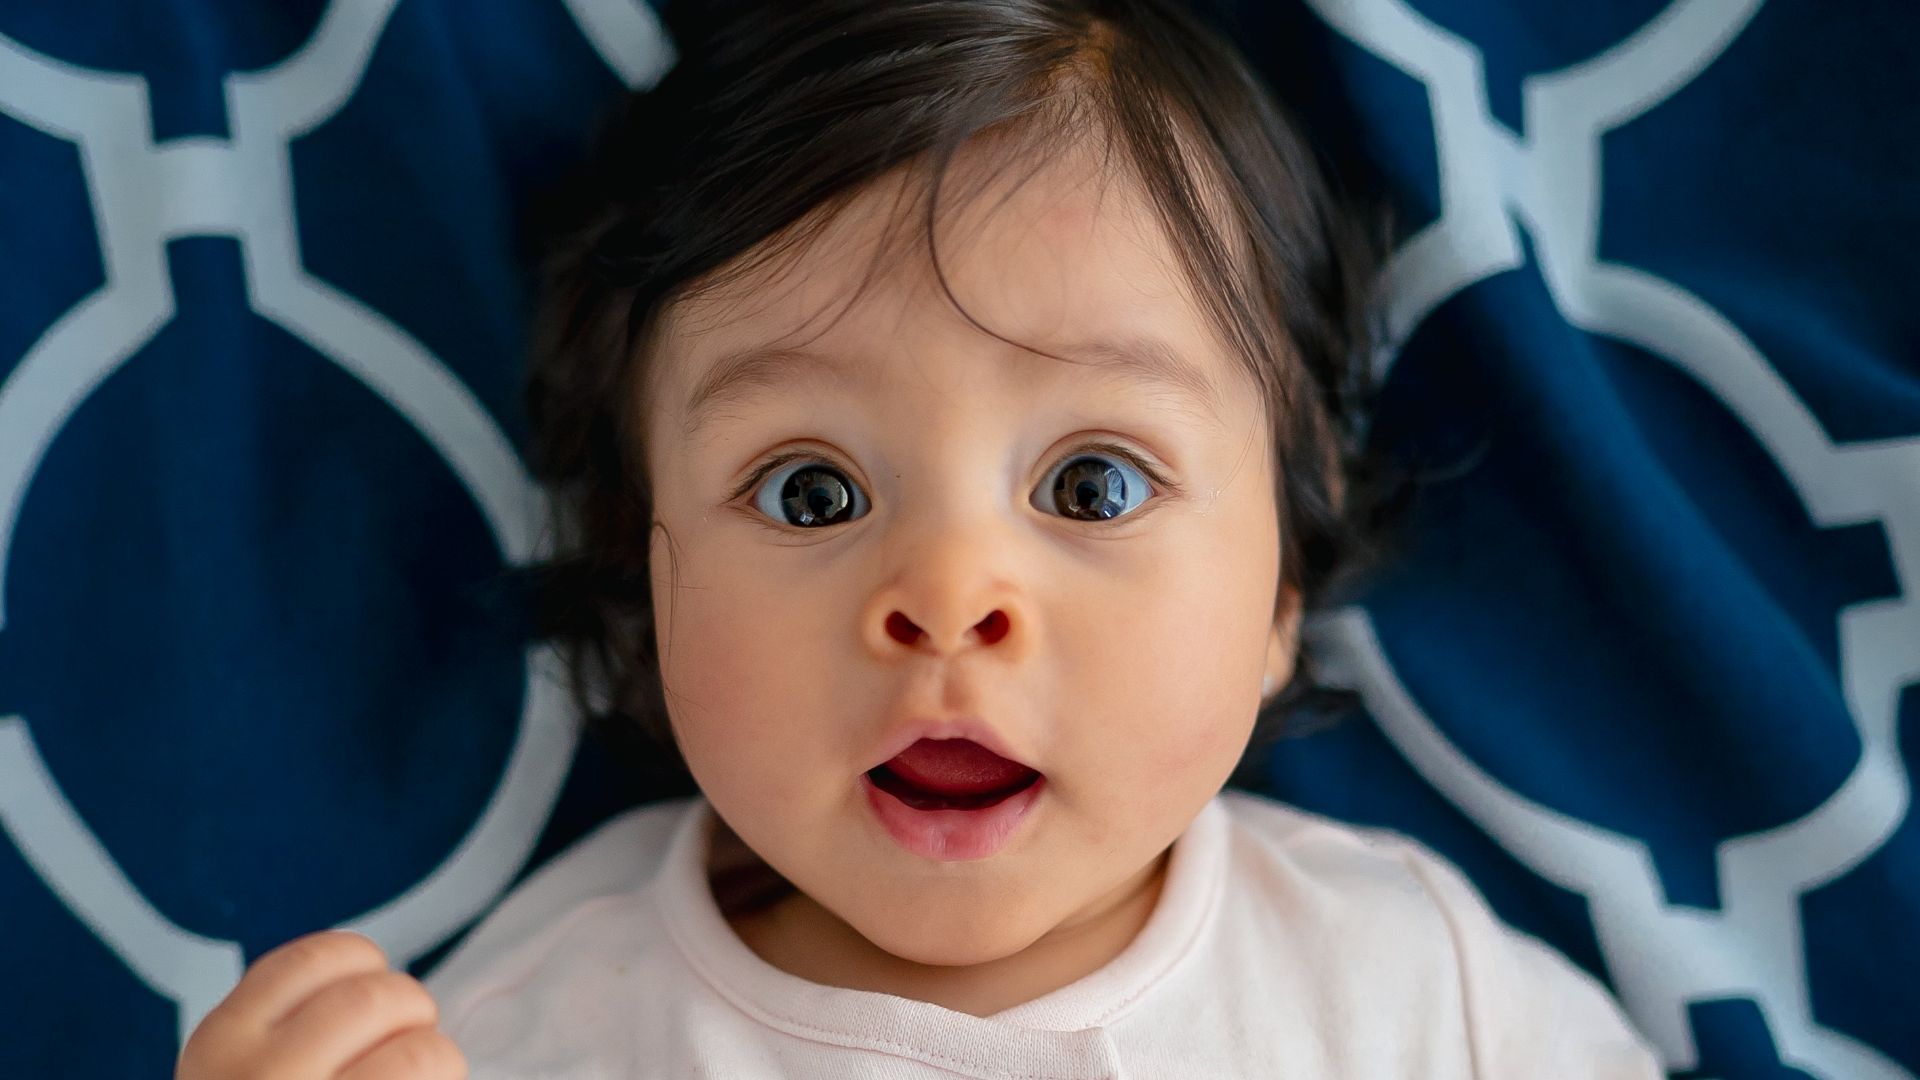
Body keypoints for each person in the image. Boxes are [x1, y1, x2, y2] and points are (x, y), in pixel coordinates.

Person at [177, 0, 1665, 1076]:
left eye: (1092, 485)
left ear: (1283, 580)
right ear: (646, 571)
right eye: (811, 493)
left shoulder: (1413, 985)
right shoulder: (534, 1027)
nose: (948, 598)